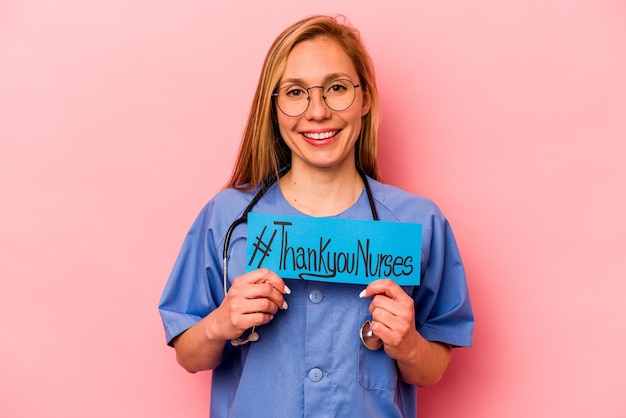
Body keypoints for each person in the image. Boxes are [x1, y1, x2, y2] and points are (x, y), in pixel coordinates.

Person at [159, 14, 473, 417]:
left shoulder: (418, 223)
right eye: (295, 92)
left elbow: (431, 368)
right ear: (273, 109)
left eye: (337, 88)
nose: (318, 111)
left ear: (365, 99)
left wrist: (407, 343)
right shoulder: (227, 217)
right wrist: (221, 323)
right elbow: (189, 356)